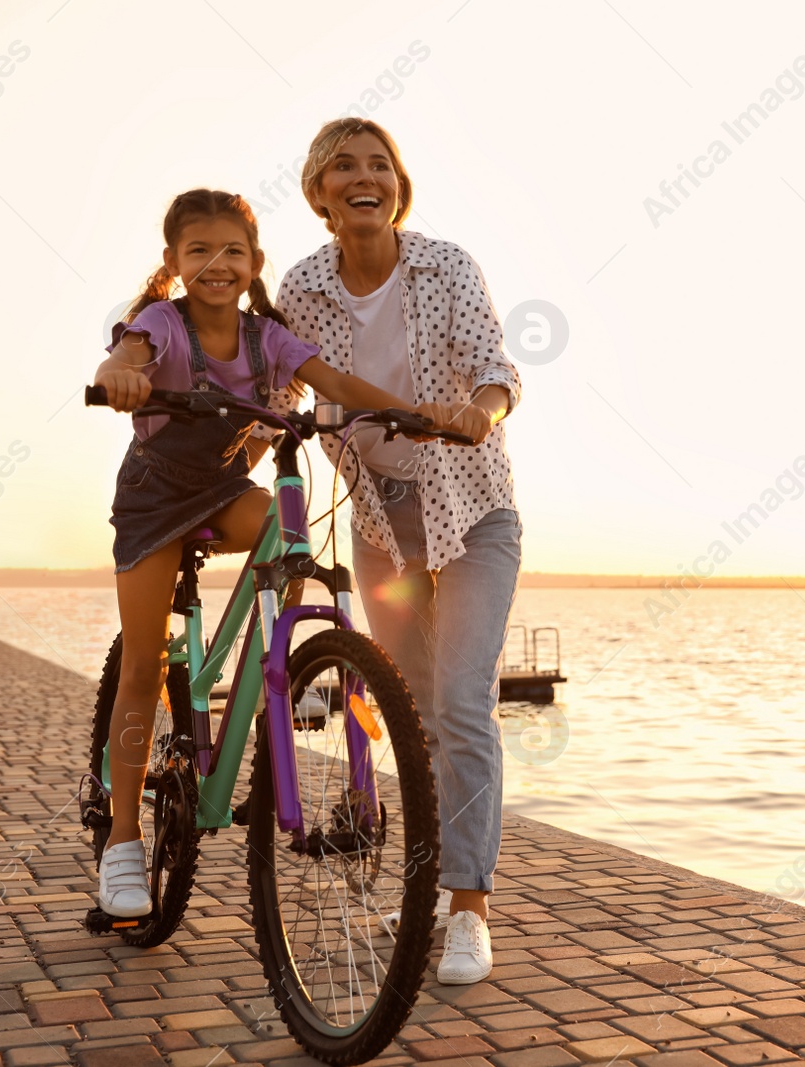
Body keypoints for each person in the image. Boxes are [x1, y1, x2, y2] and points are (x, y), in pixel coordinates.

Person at [91, 188, 454, 919]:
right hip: (156, 499)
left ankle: (272, 673)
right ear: (174, 264)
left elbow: (335, 383)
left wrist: (405, 414)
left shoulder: (268, 338)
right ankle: (122, 839)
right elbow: (127, 354)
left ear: (255, 263)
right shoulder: (163, 322)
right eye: (199, 252)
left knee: (289, 541)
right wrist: (120, 378)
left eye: (232, 252)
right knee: (140, 664)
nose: (217, 264)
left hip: (224, 489)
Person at [273, 117, 523, 985]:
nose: (363, 176)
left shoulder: (444, 265)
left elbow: (495, 368)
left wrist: (478, 412)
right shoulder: (300, 289)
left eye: (379, 164)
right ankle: (423, 889)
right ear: (320, 196)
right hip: (382, 521)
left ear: (398, 189)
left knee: (461, 701)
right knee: (408, 712)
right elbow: (267, 373)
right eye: (343, 167)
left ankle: (468, 910)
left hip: (473, 509)